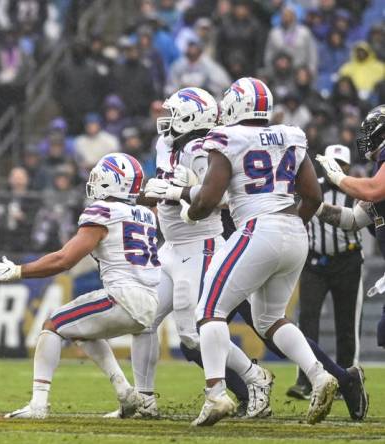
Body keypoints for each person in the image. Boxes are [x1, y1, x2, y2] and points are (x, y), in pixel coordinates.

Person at [184, 77, 336, 426]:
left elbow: (207, 199)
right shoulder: (290, 135)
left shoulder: (228, 138)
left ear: (235, 106)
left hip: (257, 228)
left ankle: (216, 394)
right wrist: (288, 225)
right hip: (295, 229)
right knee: (270, 319)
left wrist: (190, 211)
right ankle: (318, 375)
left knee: (209, 310)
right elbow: (313, 196)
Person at [0, 153, 159, 419]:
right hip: (150, 302)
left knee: (52, 326)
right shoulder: (145, 214)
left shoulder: (103, 212)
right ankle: (126, 394)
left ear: (115, 181)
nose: (95, 181)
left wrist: (18, 271)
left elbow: (64, 259)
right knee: (81, 330)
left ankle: (38, 405)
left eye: (101, 176)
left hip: (123, 297)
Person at [133, 88, 272, 419]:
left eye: (172, 113)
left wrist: (183, 191)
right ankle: (144, 398)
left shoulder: (200, 149)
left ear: (190, 117)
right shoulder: (169, 144)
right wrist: (155, 191)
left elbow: (222, 198)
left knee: (193, 335)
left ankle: (257, 378)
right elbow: (165, 187)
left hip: (201, 245)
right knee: (142, 320)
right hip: (172, 248)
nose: (165, 120)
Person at [288, 144, 364, 400]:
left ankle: (347, 380)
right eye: (334, 164)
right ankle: (306, 379)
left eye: (342, 165)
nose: (338, 169)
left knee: (347, 326)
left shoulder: (356, 190)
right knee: (307, 321)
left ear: (347, 167)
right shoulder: (311, 187)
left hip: (348, 262)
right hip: (315, 262)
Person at [316, 104, 385, 349]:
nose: (364, 138)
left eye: (369, 131)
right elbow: (352, 220)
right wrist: (316, 205)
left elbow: (373, 189)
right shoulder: (377, 168)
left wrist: (338, 178)